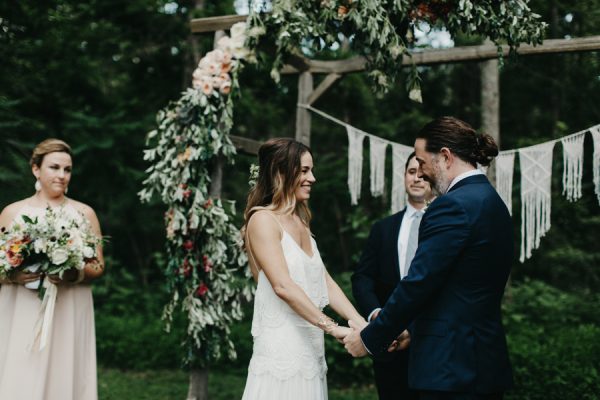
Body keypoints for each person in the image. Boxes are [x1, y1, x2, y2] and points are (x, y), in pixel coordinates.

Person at [343, 117, 514, 400]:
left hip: (451, 369)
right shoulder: (493, 203)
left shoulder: (453, 206)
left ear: (445, 156)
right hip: (482, 363)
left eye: (422, 162)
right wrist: (412, 330)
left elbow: (419, 283)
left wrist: (370, 338)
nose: (420, 174)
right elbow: (457, 289)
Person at [241, 138, 365, 400]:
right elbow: (283, 286)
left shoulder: (300, 220)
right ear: (281, 172)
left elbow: (324, 280)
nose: (313, 178)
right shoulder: (263, 220)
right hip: (281, 354)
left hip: (309, 351)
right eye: (305, 171)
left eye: (311, 170)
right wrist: (333, 328)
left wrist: (359, 323)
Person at [0, 138, 104, 400]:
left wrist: (73, 272)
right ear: (36, 169)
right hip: (23, 306)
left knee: (64, 369)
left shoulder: (84, 213)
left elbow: (99, 265)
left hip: (69, 305)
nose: (62, 175)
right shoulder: (12, 213)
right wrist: (13, 275)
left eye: (67, 170)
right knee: (23, 372)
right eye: (54, 167)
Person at [352, 152, 432, 400]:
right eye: (411, 172)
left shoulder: (446, 224)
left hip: (433, 341)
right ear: (403, 177)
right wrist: (377, 314)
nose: (416, 178)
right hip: (390, 343)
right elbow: (363, 277)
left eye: (422, 173)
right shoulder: (383, 228)